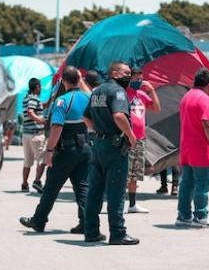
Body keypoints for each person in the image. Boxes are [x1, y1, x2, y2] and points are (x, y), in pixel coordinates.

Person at [19, 67, 91, 234]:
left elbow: (57, 127)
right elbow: (89, 93)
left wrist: (50, 152)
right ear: (79, 79)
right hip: (85, 148)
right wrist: (79, 79)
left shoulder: (62, 101)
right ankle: (86, 222)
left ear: (64, 81)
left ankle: (38, 221)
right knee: (83, 188)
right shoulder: (88, 97)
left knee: (51, 187)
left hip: (65, 149)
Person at [83, 61, 140, 245]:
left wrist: (98, 131)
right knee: (115, 191)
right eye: (126, 73)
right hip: (114, 147)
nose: (129, 76)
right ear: (114, 73)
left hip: (97, 144)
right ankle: (118, 233)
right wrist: (131, 136)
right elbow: (118, 115)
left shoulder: (97, 92)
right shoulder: (117, 91)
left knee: (95, 191)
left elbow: (86, 117)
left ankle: (91, 231)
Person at [175, 68, 209, 228]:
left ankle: (183, 215)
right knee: (203, 184)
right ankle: (201, 215)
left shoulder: (187, 97)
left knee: (187, 183)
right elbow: (208, 123)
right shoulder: (204, 99)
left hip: (187, 148)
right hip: (202, 149)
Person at [126, 68, 161, 213]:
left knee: (135, 174)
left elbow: (157, 108)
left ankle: (133, 204)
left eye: (141, 79)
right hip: (127, 139)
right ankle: (116, 202)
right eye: (136, 79)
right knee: (123, 173)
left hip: (140, 139)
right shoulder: (123, 94)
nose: (139, 81)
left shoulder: (141, 95)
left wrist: (151, 90)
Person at [21, 78, 47, 193]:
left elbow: (39, 106)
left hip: (26, 134)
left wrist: (50, 100)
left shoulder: (27, 98)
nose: (40, 89)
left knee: (27, 161)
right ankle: (37, 181)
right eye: (40, 87)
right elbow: (31, 112)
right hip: (36, 134)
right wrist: (41, 120)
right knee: (41, 160)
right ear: (37, 87)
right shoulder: (33, 99)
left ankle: (24, 183)